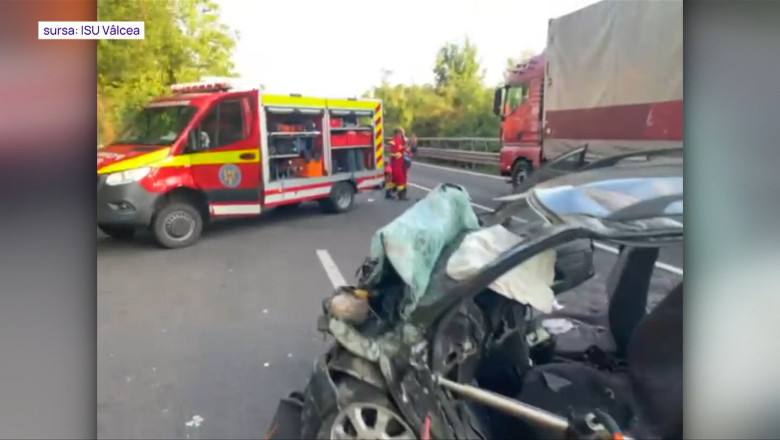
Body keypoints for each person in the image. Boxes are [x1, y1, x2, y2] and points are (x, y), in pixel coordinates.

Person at [387, 128, 409, 200]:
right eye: (402, 133)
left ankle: (389, 193)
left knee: (394, 179)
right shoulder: (395, 141)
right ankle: (401, 196)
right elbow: (394, 153)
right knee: (400, 179)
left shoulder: (400, 140)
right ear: (399, 133)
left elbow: (405, 150)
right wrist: (402, 150)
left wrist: (406, 145)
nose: (403, 134)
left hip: (400, 163)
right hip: (397, 164)